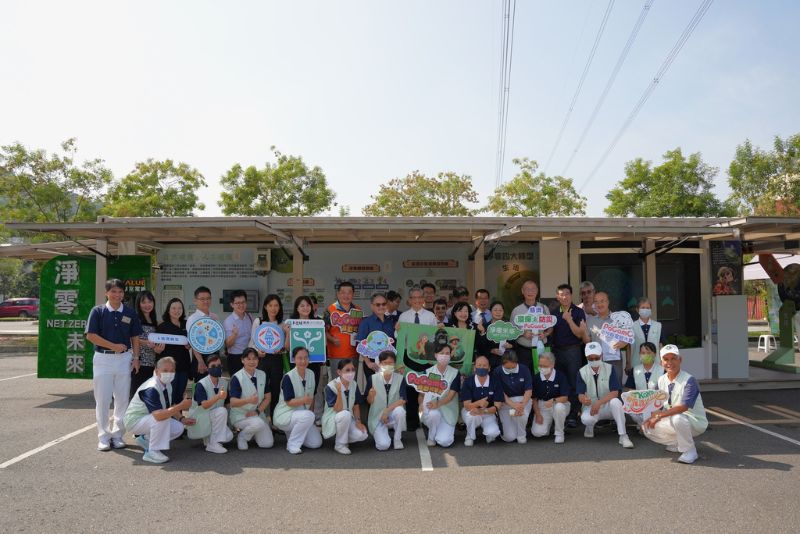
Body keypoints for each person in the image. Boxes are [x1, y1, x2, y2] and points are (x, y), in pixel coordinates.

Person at [85, 278, 143, 451]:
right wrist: (113, 346)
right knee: (102, 400)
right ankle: (103, 437)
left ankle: (117, 435)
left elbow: (135, 338)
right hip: (103, 360)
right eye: (113, 291)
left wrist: (136, 358)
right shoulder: (98, 311)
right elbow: (91, 335)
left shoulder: (130, 312)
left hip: (124, 359)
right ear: (106, 292)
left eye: (120, 292)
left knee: (122, 399)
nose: (117, 295)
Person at [642, 345, 708, 464]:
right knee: (647, 427)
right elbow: (657, 405)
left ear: (680, 360)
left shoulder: (689, 380)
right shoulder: (661, 380)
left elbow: (683, 407)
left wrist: (659, 416)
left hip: (694, 421)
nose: (670, 362)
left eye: (673, 358)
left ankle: (690, 450)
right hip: (673, 417)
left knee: (678, 418)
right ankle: (677, 442)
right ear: (661, 362)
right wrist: (653, 417)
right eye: (666, 359)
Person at [124, 356, 192, 463]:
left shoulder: (167, 384)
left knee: (178, 428)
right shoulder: (151, 388)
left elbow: (170, 405)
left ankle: (146, 439)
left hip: (148, 419)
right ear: (156, 371)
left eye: (172, 371)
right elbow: (159, 415)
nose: (169, 373)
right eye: (165, 370)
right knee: (162, 418)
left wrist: (182, 419)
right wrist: (181, 406)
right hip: (134, 421)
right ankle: (152, 452)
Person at [577, 342, 634, 448]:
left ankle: (623, 436)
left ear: (602, 355)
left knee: (616, 402)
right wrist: (583, 399)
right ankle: (589, 427)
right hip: (591, 407)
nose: (594, 360)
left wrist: (599, 403)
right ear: (586, 357)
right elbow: (580, 394)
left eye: (596, 357)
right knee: (586, 419)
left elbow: (615, 392)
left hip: (607, 406)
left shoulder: (610, 368)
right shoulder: (582, 372)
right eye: (590, 358)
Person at [397, 286, 438, 430]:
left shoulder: (430, 316)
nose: (417, 300)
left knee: (427, 388)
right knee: (411, 388)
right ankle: (412, 421)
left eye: (420, 297)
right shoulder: (403, 317)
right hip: (409, 357)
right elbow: (399, 339)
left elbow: (435, 338)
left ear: (423, 299)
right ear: (409, 300)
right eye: (414, 298)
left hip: (426, 357)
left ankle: (427, 420)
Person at [550, 283, 589, 428]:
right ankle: (560, 415)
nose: (564, 296)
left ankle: (573, 415)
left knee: (574, 382)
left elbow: (580, 333)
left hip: (573, 350)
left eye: (567, 293)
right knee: (559, 382)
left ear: (571, 295)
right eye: (561, 294)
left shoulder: (578, 311)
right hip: (557, 352)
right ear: (557, 296)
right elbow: (550, 332)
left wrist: (568, 319)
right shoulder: (553, 312)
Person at [273, 347, 323, 454]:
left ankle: (293, 433)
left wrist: (311, 419)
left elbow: (312, 397)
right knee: (308, 416)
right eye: (299, 358)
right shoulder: (288, 377)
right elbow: (289, 402)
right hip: (285, 415)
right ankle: (292, 444)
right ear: (294, 359)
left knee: (316, 443)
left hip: (302, 416)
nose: (303, 361)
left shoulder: (311, 374)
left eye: (306, 358)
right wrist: (304, 401)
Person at [286, 296, 324, 424]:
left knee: (311, 391)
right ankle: (295, 418)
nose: (305, 308)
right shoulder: (290, 323)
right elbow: (286, 347)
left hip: (314, 363)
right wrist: (287, 333)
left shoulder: (319, 322)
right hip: (297, 364)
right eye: (302, 305)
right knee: (297, 390)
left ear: (312, 307)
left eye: (308, 305)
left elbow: (322, 344)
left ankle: (310, 419)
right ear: (297, 308)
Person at [228, 348, 274, 451]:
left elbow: (268, 397)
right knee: (258, 423)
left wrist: (257, 411)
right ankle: (242, 437)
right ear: (242, 360)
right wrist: (248, 400)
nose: (252, 361)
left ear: (258, 360)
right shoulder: (237, 377)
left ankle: (251, 432)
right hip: (240, 415)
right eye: (248, 359)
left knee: (267, 444)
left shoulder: (262, 374)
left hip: (257, 414)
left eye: (254, 358)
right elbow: (233, 402)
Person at [322, 359, 369, 454]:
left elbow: (356, 405)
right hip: (334, 418)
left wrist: (358, 421)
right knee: (345, 414)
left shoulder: (354, 384)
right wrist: (339, 391)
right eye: (347, 370)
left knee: (363, 435)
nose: (351, 373)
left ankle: (343, 437)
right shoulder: (330, 387)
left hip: (348, 418)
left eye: (352, 370)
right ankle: (340, 444)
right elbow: (338, 409)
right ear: (339, 372)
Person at [249, 294, 285, 417]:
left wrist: (282, 349)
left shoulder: (282, 324)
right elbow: (252, 343)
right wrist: (257, 352)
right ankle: (260, 417)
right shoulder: (258, 321)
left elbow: (285, 346)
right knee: (261, 388)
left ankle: (275, 419)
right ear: (265, 306)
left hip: (277, 360)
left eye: (276, 305)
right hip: (262, 359)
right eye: (270, 305)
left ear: (280, 307)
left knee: (275, 389)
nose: (273, 308)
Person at [189, 354, 233, 454]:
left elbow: (227, 404)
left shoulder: (224, 382)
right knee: (222, 411)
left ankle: (209, 438)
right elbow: (204, 405)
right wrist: (218, 396)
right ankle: (213, 444)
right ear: (207, 368)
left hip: (213, 418)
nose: (217, 368)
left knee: (229, 436)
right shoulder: (201, 384)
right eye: (213, 366)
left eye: (219, 365)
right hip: (200, 419)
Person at [324, 282, 363, 393]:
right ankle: (337, 409)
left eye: (349, 292)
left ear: (353, 294)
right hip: (336, 355)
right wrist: (331, 339)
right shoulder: (330, 309)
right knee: (337, 385)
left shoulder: (358, 310)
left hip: (353, 354)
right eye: (343, 293)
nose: (346, 295)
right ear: (338, 294)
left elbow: (361, 330)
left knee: (351, 384)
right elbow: (323, 330)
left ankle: (349, 408)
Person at [420, 344, 461, 448]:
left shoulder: (455, 373)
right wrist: (421, 404)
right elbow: (421, 395)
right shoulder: (427, 372)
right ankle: (431, 436)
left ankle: (440, 430)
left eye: (447, 353)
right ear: (435, 355)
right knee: (434, 415)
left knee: (444, 442)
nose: (444, 356)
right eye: (441, 353)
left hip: (448, 411)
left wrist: (437, 403)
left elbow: (451, 396)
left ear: (451, 355)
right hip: (431, 410)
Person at [356, 292, 396, 396]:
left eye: (383, 304)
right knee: (372, 391)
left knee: (388, 390)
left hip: (389, 363)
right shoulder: (366, 322)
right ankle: (372, 412)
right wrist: (368, 362)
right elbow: (361, 344)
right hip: (372, 363)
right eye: (378, 304)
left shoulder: (392, 322)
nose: (381, 306)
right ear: (372, 306)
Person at [366, 351, 406, 451]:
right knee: (383, 446)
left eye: (391, 363)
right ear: (379, 364)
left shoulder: (400, 379)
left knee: (400, 411)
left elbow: (403, 400)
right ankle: (383, 434)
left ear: (395, 364)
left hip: (392, 413)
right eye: (385, 363)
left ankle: (397, 439)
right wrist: (370, 396)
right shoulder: (372, 379)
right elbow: (369, 401)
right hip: (377, 417)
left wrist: (386, 411)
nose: (388, 365)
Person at [459, 355, 502, 446]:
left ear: (489, 368)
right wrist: (478, 403)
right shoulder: (468, 382)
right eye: (479, 365)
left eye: (485, 365)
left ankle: (488, 431)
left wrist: (483, 410)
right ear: (474, 368)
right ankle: (470, 436)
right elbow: (466, 405)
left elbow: (497, 406)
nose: (482, 367)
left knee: (493, 433)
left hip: (488, 413)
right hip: (470, 411)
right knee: (471, 416)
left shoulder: (495, 382)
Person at [586, 291, 628, 384]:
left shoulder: (618, 319)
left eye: (602, 301)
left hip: (614, 359)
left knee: (616, 387)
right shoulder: (590, 321)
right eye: (596, 302)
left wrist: (623, 343)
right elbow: (587, 341)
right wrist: (582, 332)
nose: (599, 304)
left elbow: (627, 338)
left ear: (608, 302)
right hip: (596, 360)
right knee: (598, 388)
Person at [510, 280, 551, 372]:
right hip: (523, 350)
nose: (530, 292)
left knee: (542, 375)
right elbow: (511, 331)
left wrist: (546, 334)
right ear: (522, 291)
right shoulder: (516, 311)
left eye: (533, 289)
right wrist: (522, 333)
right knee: (525, 376)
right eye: (527, 289)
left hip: (541, 348)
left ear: (537, 291)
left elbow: (550, 327)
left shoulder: (544, 308)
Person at [156, 298, 192, 402]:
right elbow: (157, 348)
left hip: (183, 365)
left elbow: (193, 340)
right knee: (169, 395)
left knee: (180, 395)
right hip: (169, 368)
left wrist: (190, 345)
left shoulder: (187, 324)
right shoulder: (162, 326)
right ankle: (169, 417)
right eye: (174, 308)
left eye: (179, 308)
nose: (177, 311)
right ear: (168, 310)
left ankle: (178, 417)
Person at [531, 352, 571, 444]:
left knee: (559, 408)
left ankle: (559, 433)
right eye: (540, 365)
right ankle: (550, 425)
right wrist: (538, 414)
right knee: (538, 433)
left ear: (552, 365)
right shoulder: (536, 378)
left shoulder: (561, 376)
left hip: (559, 404)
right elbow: (534, 399)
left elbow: (565, 397)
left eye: (545, 366)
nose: (542, 368)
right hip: (543, 406)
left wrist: (553, 400)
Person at [130, 291, 164, 399]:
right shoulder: (135, 319)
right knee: (137, 394)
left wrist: (158, 347)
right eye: (143, 302)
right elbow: (131, 338)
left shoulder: (155, 321)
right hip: (138, 362)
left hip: (151, 363)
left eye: (150, 302)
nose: (147, 305)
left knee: (148, 394)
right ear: (138, 304)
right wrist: (147, 343)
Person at [624, 342, 665, 428]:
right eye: (643, 353)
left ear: (654, 354)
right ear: (639, 354)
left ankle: (646, 427)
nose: (645, 355)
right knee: (630, 410)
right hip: (640, 405)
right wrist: (640, 401)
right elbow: (630, 390)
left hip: (657, 406)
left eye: (648, 353)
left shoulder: (662, 371)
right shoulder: (634, 370)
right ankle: (644, 426)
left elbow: (665, 392)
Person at [494, 351, 533, 444]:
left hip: (522, 400)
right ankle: (508, 426)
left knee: (521, 414)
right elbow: (500, 392)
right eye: (508, 368)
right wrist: (513, 405)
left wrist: (521, 405)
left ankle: (521, 434)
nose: (511, 369)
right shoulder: (497, 371)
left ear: (517, 362)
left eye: (513, 367)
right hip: (506, 403)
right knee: (509, 437)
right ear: (502, 364)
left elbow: (528, 390)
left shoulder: (524, 369)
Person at [186, 286, 218, 379]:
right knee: (201, 388)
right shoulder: (193, 319)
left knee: (215, 386)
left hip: (215, 356)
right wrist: (200, 361)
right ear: (195, 301)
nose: (206, 301)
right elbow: (193, 342)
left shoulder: (214, 317)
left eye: (208, 298)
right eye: (202, 299)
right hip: (201, 357)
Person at [475, 300, 513, 370]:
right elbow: (479, 347)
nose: (498, 312)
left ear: (503, 312)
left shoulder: (508, 326)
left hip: (506, 362)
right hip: (489, 363)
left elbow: (514, 344)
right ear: (490, 312)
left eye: (500, 310)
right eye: (495, 310)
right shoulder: (485, 327)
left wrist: (510, 345)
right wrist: (491, 350)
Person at [223, 289, 253, 377]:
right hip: (235, 358)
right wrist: (234, 335)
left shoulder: (250, 317)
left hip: (249, 356)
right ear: (232, 304)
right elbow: (227, 344)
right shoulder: (228, 321)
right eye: (238, 303)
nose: (241, 305)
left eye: (243, 302)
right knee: (237, 385)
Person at [630, 297, 663, 371]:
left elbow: (660, 344)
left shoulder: (658, 325)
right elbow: (629, 346)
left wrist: (662, 360)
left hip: (655, 362)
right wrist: (628, 363)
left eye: (648, 308)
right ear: (637, 309)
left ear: (651, 310)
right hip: (637, 362)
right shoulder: (632, 326)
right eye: (643, 307)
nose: (645, 310)